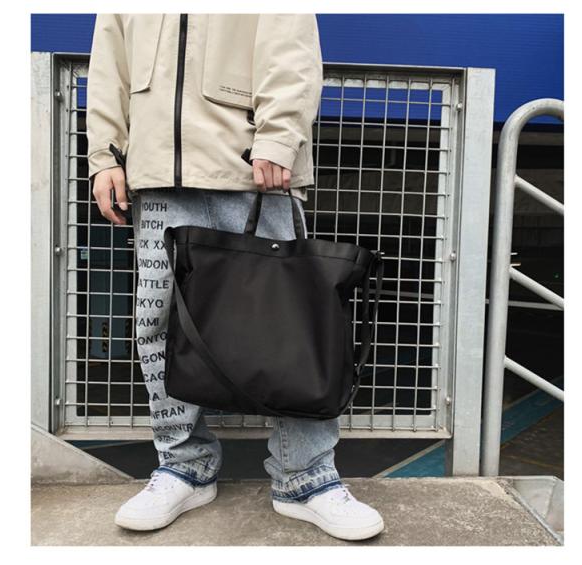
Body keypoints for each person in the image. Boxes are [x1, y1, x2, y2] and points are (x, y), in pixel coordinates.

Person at [86, 13, 384, 541]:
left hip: (250, 164)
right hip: (158, 171)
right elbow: (111, 63)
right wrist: (105, 154)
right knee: (159, 326)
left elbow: (291, 44)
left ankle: (306, 477)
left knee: (291, 326)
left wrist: (280, 134)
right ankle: (183, 467)